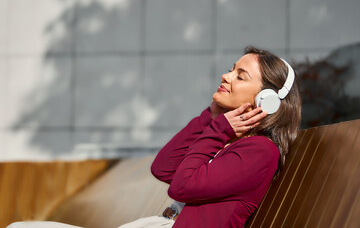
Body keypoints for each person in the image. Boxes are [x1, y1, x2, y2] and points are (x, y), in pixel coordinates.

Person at [7, 46, 301, 228]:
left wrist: (219, 128)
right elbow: (163, 168)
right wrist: (209, 118)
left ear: (267, 100)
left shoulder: (260, 151)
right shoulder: (231, 139)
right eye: (230, 70)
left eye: (240, 75)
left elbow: (182, 187)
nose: (226, 76)